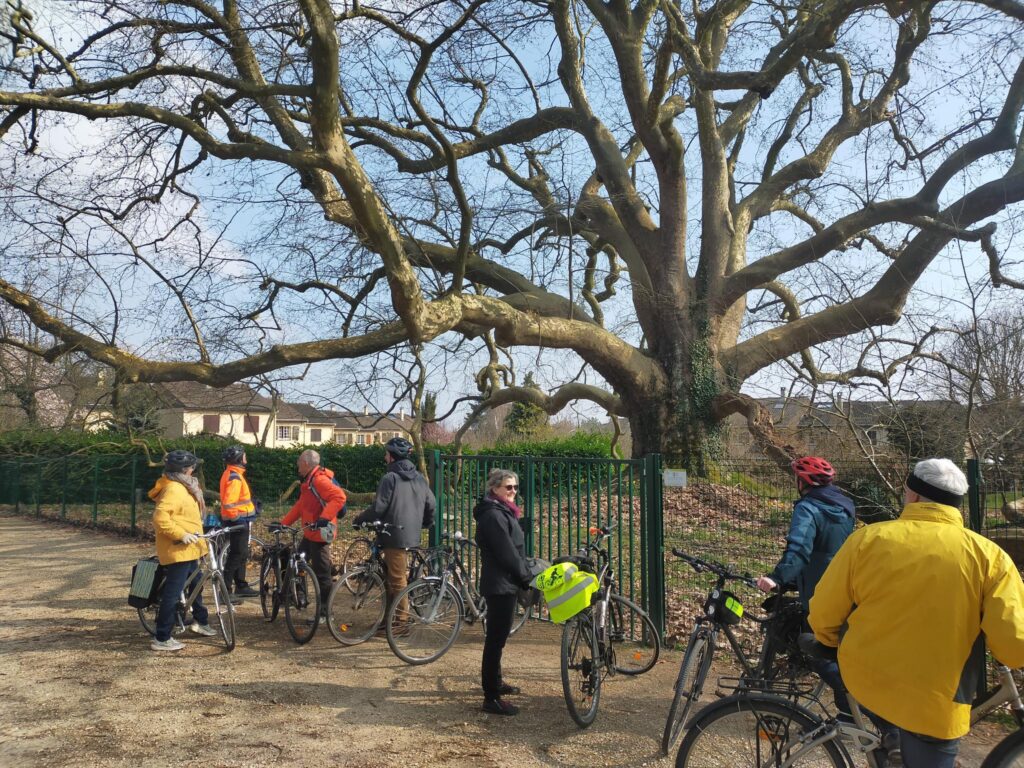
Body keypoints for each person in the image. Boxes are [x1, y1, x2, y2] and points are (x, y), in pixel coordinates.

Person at [809, 458, 1024, 768]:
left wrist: (827, 641)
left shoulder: (868, 540)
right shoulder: (990, 557)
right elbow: (1014, 643)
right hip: (935, 701)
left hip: (868, 679)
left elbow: (824, 612)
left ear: (912, 494)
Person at [756, 456, 856, 718]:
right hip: (845, 588)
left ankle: (857, 702)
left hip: (818, 593)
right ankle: (848, 715)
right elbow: (829, 549)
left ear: (803, 482)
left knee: (818, 653)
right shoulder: (846, 508)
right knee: (837, 651)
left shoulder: (808, 508)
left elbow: (800, 548)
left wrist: (777, 577)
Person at [354, 437, 436, 628]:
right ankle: (389, 619)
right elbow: (431, 504)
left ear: (392, 457)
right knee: (393, 576)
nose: (384, 457)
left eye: (386, 454)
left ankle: (400, 624)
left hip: (393, 534)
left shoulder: (390, 478)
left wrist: (359, 519)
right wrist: (425, 523)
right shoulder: (419, 478)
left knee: (398, 580)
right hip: (411, 533)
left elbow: (378, 507)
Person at [473, 468, 533, 716]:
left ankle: (496, 682)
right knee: (495, 640)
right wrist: (525, 575)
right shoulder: (493, 516)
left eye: (516, 487)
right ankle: (491, 697)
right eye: (508, 487)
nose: (513, 492)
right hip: (500, 584)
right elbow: (506, 551)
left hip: (505, 582)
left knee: (499, 638)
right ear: (495, 488)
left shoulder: (502, 511)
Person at [148, 449, 218, 651]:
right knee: (173, 593)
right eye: (191, 467)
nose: (193, 470)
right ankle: (162, 637)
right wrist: (181, 534)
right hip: (178, 548)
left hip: (191, 547)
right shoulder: (174, 489)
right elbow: (160, 518)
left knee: (196, 585)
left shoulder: (185, 486)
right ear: (185, 470)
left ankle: (201, 622)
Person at [280, 449, 347, 606]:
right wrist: (284, 524)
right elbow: (300, 506)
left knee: (322, 574)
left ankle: (325, 612)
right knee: (297, 560)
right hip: (310, 533)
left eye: (299, 465)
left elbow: (339, 497)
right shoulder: (309, 482)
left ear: (305, 463)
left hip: (319, 535)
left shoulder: (318, 481)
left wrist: (324, 518)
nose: (298, 469)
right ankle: (300, 597)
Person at [219, 445, 258, 598]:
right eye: (244, 456)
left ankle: (241, 585)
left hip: (240, 519)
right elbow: (229, 503)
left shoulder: (233, 474)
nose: (246, 458)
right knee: (236, 554)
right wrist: (236, 519)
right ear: (239, 459)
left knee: (241, 553)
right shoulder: (234, 477)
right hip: (238, 521)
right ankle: (225, 591)